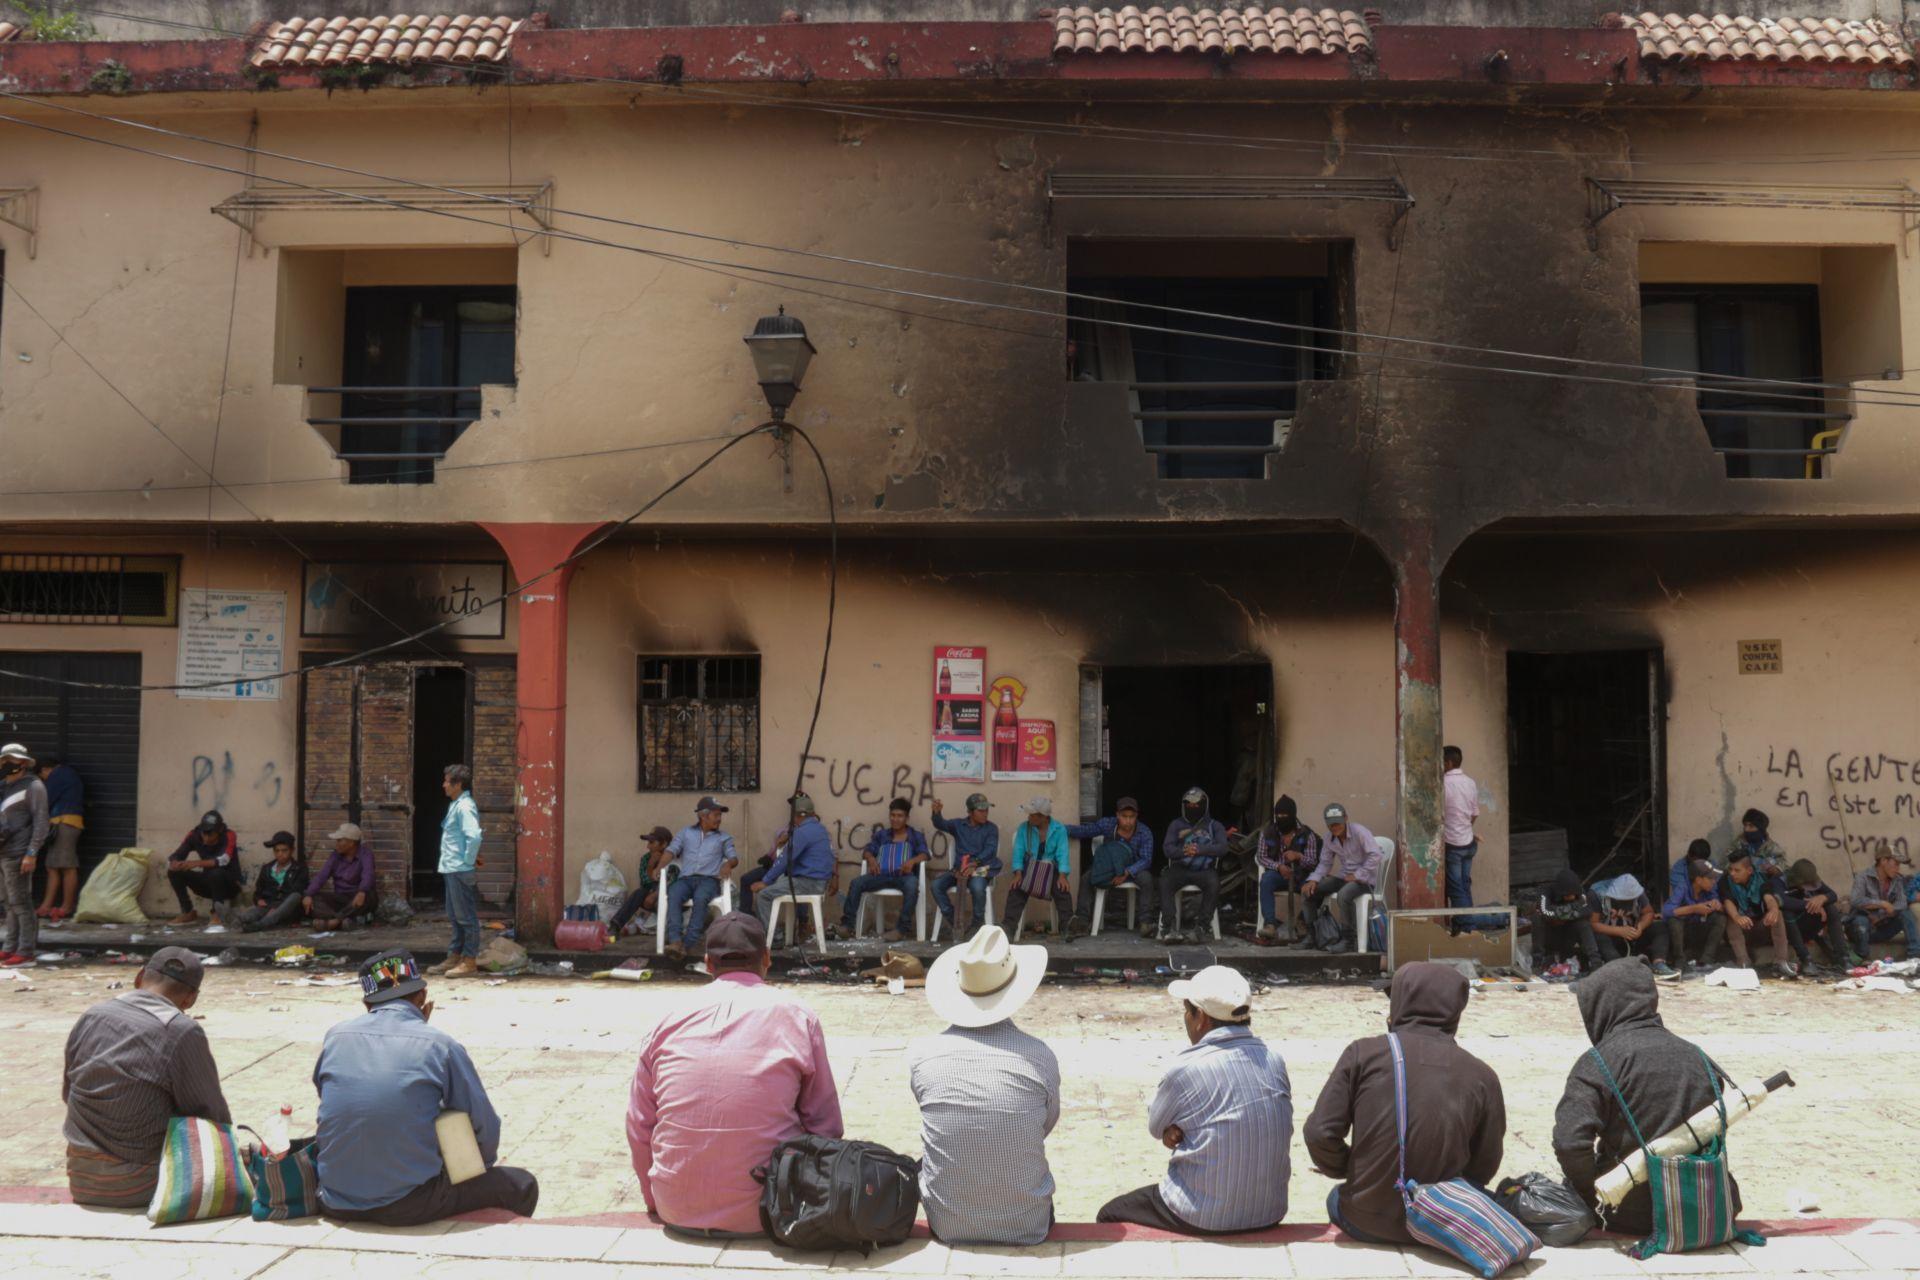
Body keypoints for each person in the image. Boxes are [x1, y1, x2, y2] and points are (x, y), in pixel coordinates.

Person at [628, 912, 842, 1236]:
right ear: (767, 959)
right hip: (774, 1209)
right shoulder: (798, 1017)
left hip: (676, 1209)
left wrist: (656, 1200)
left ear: (708, 964)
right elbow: (825, 1126)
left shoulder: (667, 1020)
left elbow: (639, 1125)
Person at [314, 949, 539, 1224]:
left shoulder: (336, 1036)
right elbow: (485, 1127)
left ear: (367, 1004)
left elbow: (336, 1100)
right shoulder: (439, 1045)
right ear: (423, 998)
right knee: (522, 1184)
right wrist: (469, 1168)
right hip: (409, 1203)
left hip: (333, 1198)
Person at [1306, 962, 1505, 1245]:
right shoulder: (1483, 1075)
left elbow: (1320, 1133)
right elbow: (1485, 1165)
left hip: (1366, 1220)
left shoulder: (1363, 1054)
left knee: (1336, 1196)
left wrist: (1351, 1169)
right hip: (1443, 1224)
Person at [1552, 957, 1744, 1237]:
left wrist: (1589, 1190)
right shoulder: (1697, 1056)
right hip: (1710, 1203)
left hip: (1631, 1212)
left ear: (1602, 1006)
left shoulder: (1598, 1063)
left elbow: (1570, 1143)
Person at [1096, 965, 1291, 1235]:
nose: (1186, 1019)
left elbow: (1156, 1127)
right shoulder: (1274, 1060)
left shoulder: (1188, 1068)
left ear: (1201, 1018)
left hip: (1203, 1214)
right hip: (1269, 1210)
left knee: (1109, 1215)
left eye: (1187, 1012)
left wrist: (1174, 1128)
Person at [912, 924, 1058, 1245]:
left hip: (947, 1224)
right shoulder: (1039, 1056)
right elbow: (1045, 1124)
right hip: (1028, 1224)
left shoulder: (923, 1055)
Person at [62, 947, 231, 1207]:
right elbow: (210, 1114)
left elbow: (68, 1092)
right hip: (139, 1183)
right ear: (190, 999)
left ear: (139, 977)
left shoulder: (93, 1015)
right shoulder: (180, 1030)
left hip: (80, 1175)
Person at [832, 798, 930, 942]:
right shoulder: (882, 835)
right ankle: (847, 926)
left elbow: (925, 854)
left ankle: (900, 930)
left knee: (912, 885)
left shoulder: (915, 836)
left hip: (903, 877)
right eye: (893, 815)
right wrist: (871, 859)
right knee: (857, 883)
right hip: (881, 876)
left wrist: (912, 861)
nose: (895, 819)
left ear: (907, 818)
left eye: (899, 816)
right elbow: (867, 851)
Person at [1066, 796, 1156, 938]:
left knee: (1147, 879)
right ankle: (1082, 922)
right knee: (1086, 878)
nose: (1128, 821)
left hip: (1132, 870)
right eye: (1124, 816)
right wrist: (1061, 829)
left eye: (1131, 817)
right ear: (1117, 815)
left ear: (1136, 816)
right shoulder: (1108, 824)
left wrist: (1126, 872)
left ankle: (1146, 922)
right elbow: (1087, 830)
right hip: (1108, 868)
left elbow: (1146, 860)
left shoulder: (1144, 832)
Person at [661, 797, 739, 960]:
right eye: (716, 815)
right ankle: (675, 940)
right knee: (673, 893)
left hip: (709, 880)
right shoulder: (686, 833)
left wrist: (728, 865)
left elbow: (733, 857)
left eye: (720, 815)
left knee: (701, 897)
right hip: (686, 879)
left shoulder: (724, 837)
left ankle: (687, 944)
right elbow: (671, 850)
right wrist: (659, 867)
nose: (719, 819)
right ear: (703, 816)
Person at [1300, 803, 1381, 951]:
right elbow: (1325, 863)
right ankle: (1312, 936)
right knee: (1308, 891)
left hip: (1365, 880)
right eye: (1331, 824)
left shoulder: (1360, 832)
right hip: (1344, 878)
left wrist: (1357, 875)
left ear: (1346, 818)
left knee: (1344, 895)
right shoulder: (1329, 839)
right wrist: (1313, 880)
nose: (1335, 827)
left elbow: (1376, 855)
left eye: (1338, 823)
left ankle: (1348, 940)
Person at [755, 793, 836, 937]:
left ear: (798, 815)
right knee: (783, 881)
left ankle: (773, 938)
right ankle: (791, 930)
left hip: (809, 883)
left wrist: (766, 881)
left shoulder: (802, 832)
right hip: (819, 882)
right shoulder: (821, 829)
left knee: (763, 895)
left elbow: (785, 858)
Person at [431, 764, 484, 978]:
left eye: (447, 781)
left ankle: (469, 960)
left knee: (466, 917)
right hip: (451, 867)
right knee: (455, 916)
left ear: (457, 784)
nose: (443, 785)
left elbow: (474, 836)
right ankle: (455, 955)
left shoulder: (464, 807)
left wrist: (468, 860)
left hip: (459, 869)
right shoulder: (456, 805)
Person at [0, 744, 50, 966]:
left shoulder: (34, 786)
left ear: (22, 763)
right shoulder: (3, 787)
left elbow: (41, 822)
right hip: (3, 851)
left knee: (21, 903)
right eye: (5, 760)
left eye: (12, 760)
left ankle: (26, 951)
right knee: (9, 903)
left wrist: (32, 853)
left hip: (19, 853)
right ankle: (10, 946)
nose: (7, 764)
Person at [1159, 787, 1227, 943]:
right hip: (1180, 867)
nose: (1193, 808)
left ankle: (1201, 928)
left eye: (1197, 805)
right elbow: (1167, 849)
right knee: (1164, 881)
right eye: (1189, 805)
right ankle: (1168, 927)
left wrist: (1200, 849)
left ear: (1204, 805)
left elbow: (1223, 847)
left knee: (1214, 884)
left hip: (1204, 870)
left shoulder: (1214, 826)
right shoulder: (1176, 825)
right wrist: (1184, 850)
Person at [931, 793, 1003, 938]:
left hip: (980, 870)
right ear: (970, 812)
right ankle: (956, 922)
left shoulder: (991, 828)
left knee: (977, 888)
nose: (985, 814)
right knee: (936, 885)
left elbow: (990, 850)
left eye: (986, 810)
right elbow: (940, 824)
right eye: (981, 811)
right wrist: (936, 813)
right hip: (959, 871)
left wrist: (974, 864)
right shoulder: (958, 825)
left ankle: (977, 925)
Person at [1004, 796, 1077, 940]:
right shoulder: (1023, 828)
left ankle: (1067, 927)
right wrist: (1018, 874)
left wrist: (1063, 876)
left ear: (1043, 817)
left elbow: (1063, 853)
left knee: (1062, 890)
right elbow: (1018, 852)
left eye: (1032, 815)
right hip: (1029, 868)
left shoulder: (1059, 829)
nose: (1029, 817)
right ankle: (1008, 928)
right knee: (1016, 889)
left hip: (1051, 870)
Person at [1718, 851, 1797, 979]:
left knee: (1777, 914)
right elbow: (1728, 902)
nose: (1732, 873)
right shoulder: (1725, 881)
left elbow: (1769, 897)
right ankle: (1744, 962)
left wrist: (1773, 910)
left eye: (1737, 870)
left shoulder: (1762, 879)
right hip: (1739, 931)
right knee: (1731, 917)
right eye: (1731, 869)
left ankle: (1780, 962)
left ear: (1749, 870)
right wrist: (1737, 917)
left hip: (1759, 929)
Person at [1255, 795, 1321, 944]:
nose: (1281, 818)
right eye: (1278, 815)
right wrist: (1278, 866)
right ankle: (1270, 925)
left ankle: (1302, 922)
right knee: (1266, 880)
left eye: (1285, 815)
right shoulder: (1267, 832)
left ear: (1293, 814)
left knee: (1318, 885)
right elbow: (1261, 857)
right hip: (1279, 875)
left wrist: (1298, 856)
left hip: (1300, 876)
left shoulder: (1306, 834)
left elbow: (1313, 863)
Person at [165, 809, 241, 927]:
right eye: (203, 832)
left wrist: (196, 863)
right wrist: (174, 863)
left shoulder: (229, 835)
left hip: (229, 885)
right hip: (207, 884)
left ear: (219, 830)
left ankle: (217, 913)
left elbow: (224, 860)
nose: (205, 837)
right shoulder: (193, 835)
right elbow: (177, 854)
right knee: (174, 872)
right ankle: (188, 911)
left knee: (217, 873)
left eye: (210, 833)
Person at [1845, 842, 1920, 959]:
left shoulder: (1897, 880)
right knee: (1861, 920)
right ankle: (1861, 957)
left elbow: (1902, 903)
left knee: (1906, 914)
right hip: (1860, 930)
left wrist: (1882, 916)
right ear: (1883, 861)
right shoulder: (1863, 877)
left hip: (1881, 928)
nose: (1897, 868)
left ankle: (1914, 957)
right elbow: (1856, 900)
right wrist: (1882, 904)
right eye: (1895, 864)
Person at [1588, 874, 1672, 977]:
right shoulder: (1596, 894)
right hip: (1609, 935)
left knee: (1660, 927)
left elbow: (1649, 913)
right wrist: (1618, 930)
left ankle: (1659, 964)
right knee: (1599, 937)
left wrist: (1640, 927)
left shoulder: (1637, 892)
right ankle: (1619, 967)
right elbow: (1593, 924)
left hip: (1632, 935)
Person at [35, 754, 84, 923]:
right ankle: (47, 905)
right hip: (62, 824)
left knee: (67, 866)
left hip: (65, 823)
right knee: (52, 866)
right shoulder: (66, 774)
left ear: (45, 769)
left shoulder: (59, 774)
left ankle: (67, 906)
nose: (43, 780)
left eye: (42, 777)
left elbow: (45, 800)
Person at [1781, 858, 1852, 972]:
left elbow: (1832, 895)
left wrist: (1822, 898)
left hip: (1807, 927)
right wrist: (1810, 904)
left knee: (1830, 908)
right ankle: (1806, 959)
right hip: (1788, 930)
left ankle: (1843, 958)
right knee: (1786, 913)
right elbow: (1782, 901)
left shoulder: (1812, 880)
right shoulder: (1780, 881)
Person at [304, 823, 377, 930]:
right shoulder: (335, 856)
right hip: (341, 898)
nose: (336, 844)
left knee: (369, 896)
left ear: (351, 843)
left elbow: (368, 874)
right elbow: (321, 877)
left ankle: (335, 921)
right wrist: (308, 894)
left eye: (339, 840)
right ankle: (344, 920)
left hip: (358, 897)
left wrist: (362, 891)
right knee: (313, 900)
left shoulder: (366, 854)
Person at [608, 826, 677, 937]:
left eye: (651, 842)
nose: (648, 846)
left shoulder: (674, 858)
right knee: (639, 893)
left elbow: (674, 882)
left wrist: (655, 895)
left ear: (664, 844)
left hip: (672, 897)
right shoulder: (646, 858)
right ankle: (615, 926)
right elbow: (645, 882)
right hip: (651, 896)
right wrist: (650, 865)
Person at [1531, 869, 1602, 976]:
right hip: (1550, 938)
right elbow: (1545, 912)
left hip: (1569, 937)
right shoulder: (1545, 892)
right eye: (1568, 895)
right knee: (1537, 918)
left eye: (1574, 895)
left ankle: (1596, 963)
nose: (1572, 897)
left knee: (1583, 922)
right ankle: (1537, 963)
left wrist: (1560, 914)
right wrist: (1573, 910)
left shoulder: (1580, 892)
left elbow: (1587, 910)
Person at [1662, 857, 1727, 973]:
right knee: (1674, 921)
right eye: (1710, 878)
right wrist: (1694, 909)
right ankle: (1680, 961)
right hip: (1683, 934)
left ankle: (1707, 960)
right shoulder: (1683, 887)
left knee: (1720, 918)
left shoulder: (1710, 889)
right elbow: (1666, 911)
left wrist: (1717, 905)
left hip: (1700, 930)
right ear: (1698, 880)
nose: (1714, 881)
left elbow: (1721, 907)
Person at [237, 831, 308, 933]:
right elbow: (258, 892)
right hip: (268, 906)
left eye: (284, 850)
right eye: (277, 851)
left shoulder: (300, 869)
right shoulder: (267, 868)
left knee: (295, 896)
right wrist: (258, 900)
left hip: (287, 910)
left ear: (292, 850)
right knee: (250, 913)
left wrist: (276, 908)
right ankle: (238, 920)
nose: (280, 854)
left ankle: (260, 925)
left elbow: (298, 891)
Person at [1441, 746, 1481, 911]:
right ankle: (1468, 925)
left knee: (1456, 888)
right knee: (1464, 885)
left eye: (1441, 761)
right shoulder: (1470, 782)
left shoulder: (1442, 783)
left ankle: (1467, 925)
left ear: (1448, 763)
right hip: (1469, 844)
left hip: (1454, 845)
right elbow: (1475, 813)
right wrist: (1465, 828)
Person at [1726, 808, 1786, 876]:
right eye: (1745, 825)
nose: (1746, 829)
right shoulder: (1738, 844)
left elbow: (1782, 862)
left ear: (1760, 829)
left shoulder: (1770, 846)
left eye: (1751, 826)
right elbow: (1727, 863)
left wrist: (1775, 869)